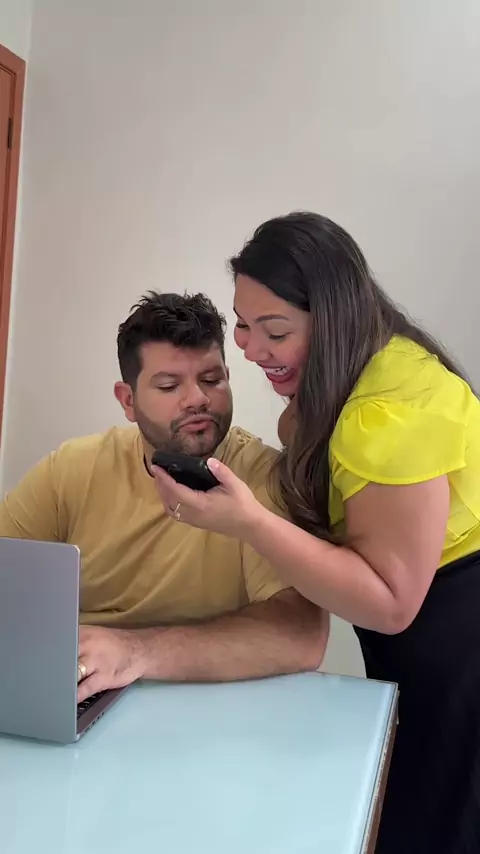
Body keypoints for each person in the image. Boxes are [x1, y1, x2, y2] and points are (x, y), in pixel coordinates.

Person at [153, 213, 480, 854]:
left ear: (334, 318)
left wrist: (249, 522)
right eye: (243, 326)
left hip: (454, 659)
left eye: (275, 331)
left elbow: (390, 602)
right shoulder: (371, 368)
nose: (252, 349)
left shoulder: (388, 412)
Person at [0, 290, 328, 703]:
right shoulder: (71, 469)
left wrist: (136, 652)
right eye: (170, 385)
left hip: (204, 707)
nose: (198, 399)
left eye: (212, 380)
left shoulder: (263, 478)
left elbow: (303, 635)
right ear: (128, 400)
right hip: (80, 689)